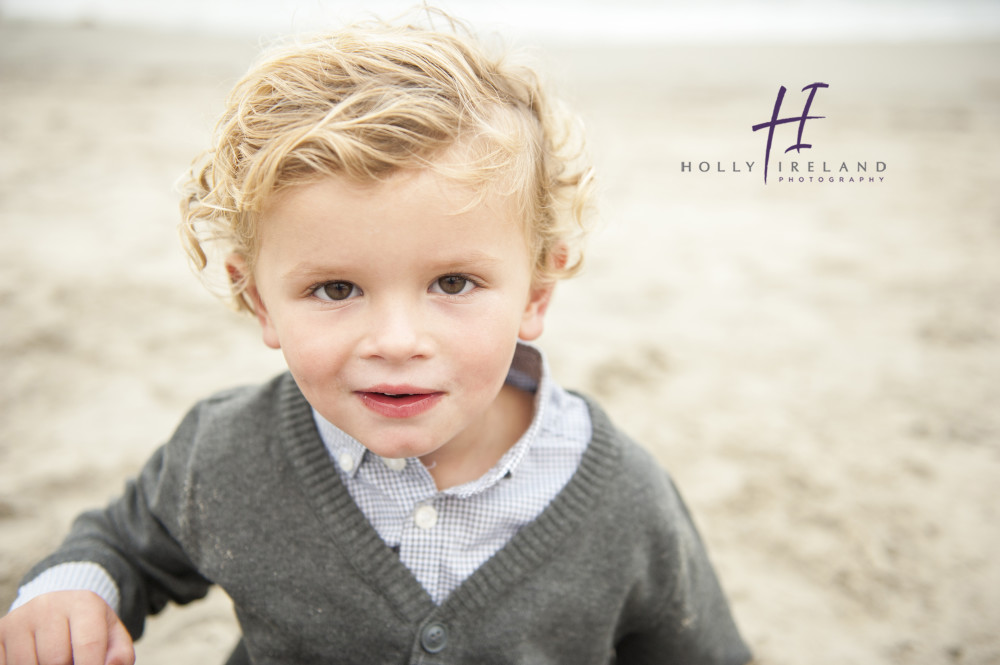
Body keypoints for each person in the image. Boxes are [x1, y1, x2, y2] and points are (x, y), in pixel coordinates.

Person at [0, 10, 752, 665]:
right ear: (260, 300)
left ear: (538, 291)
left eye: (453, 283)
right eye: (336, 289)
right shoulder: (227, 452)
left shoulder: (620, 495)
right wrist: (74, 590)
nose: (396, 340)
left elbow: (699, 648)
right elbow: (126, 542)